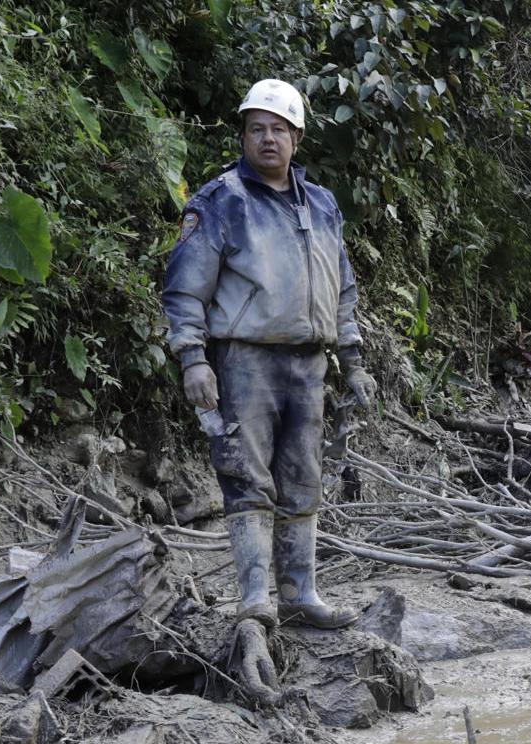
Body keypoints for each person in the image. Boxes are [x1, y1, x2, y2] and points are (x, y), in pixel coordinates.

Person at [161, 79, 378, 630]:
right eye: (256, 128)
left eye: (278, 129)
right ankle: (256, 597)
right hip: (245, 362)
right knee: (247, 476)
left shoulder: (324, 206)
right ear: (243, 135)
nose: (267, 139)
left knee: (303, 477)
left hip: (309, 364)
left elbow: (343, 289)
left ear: (297, 137)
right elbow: (185, 291)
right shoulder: (219, 202)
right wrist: (193, 359)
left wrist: (352, 361)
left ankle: (300, 593)